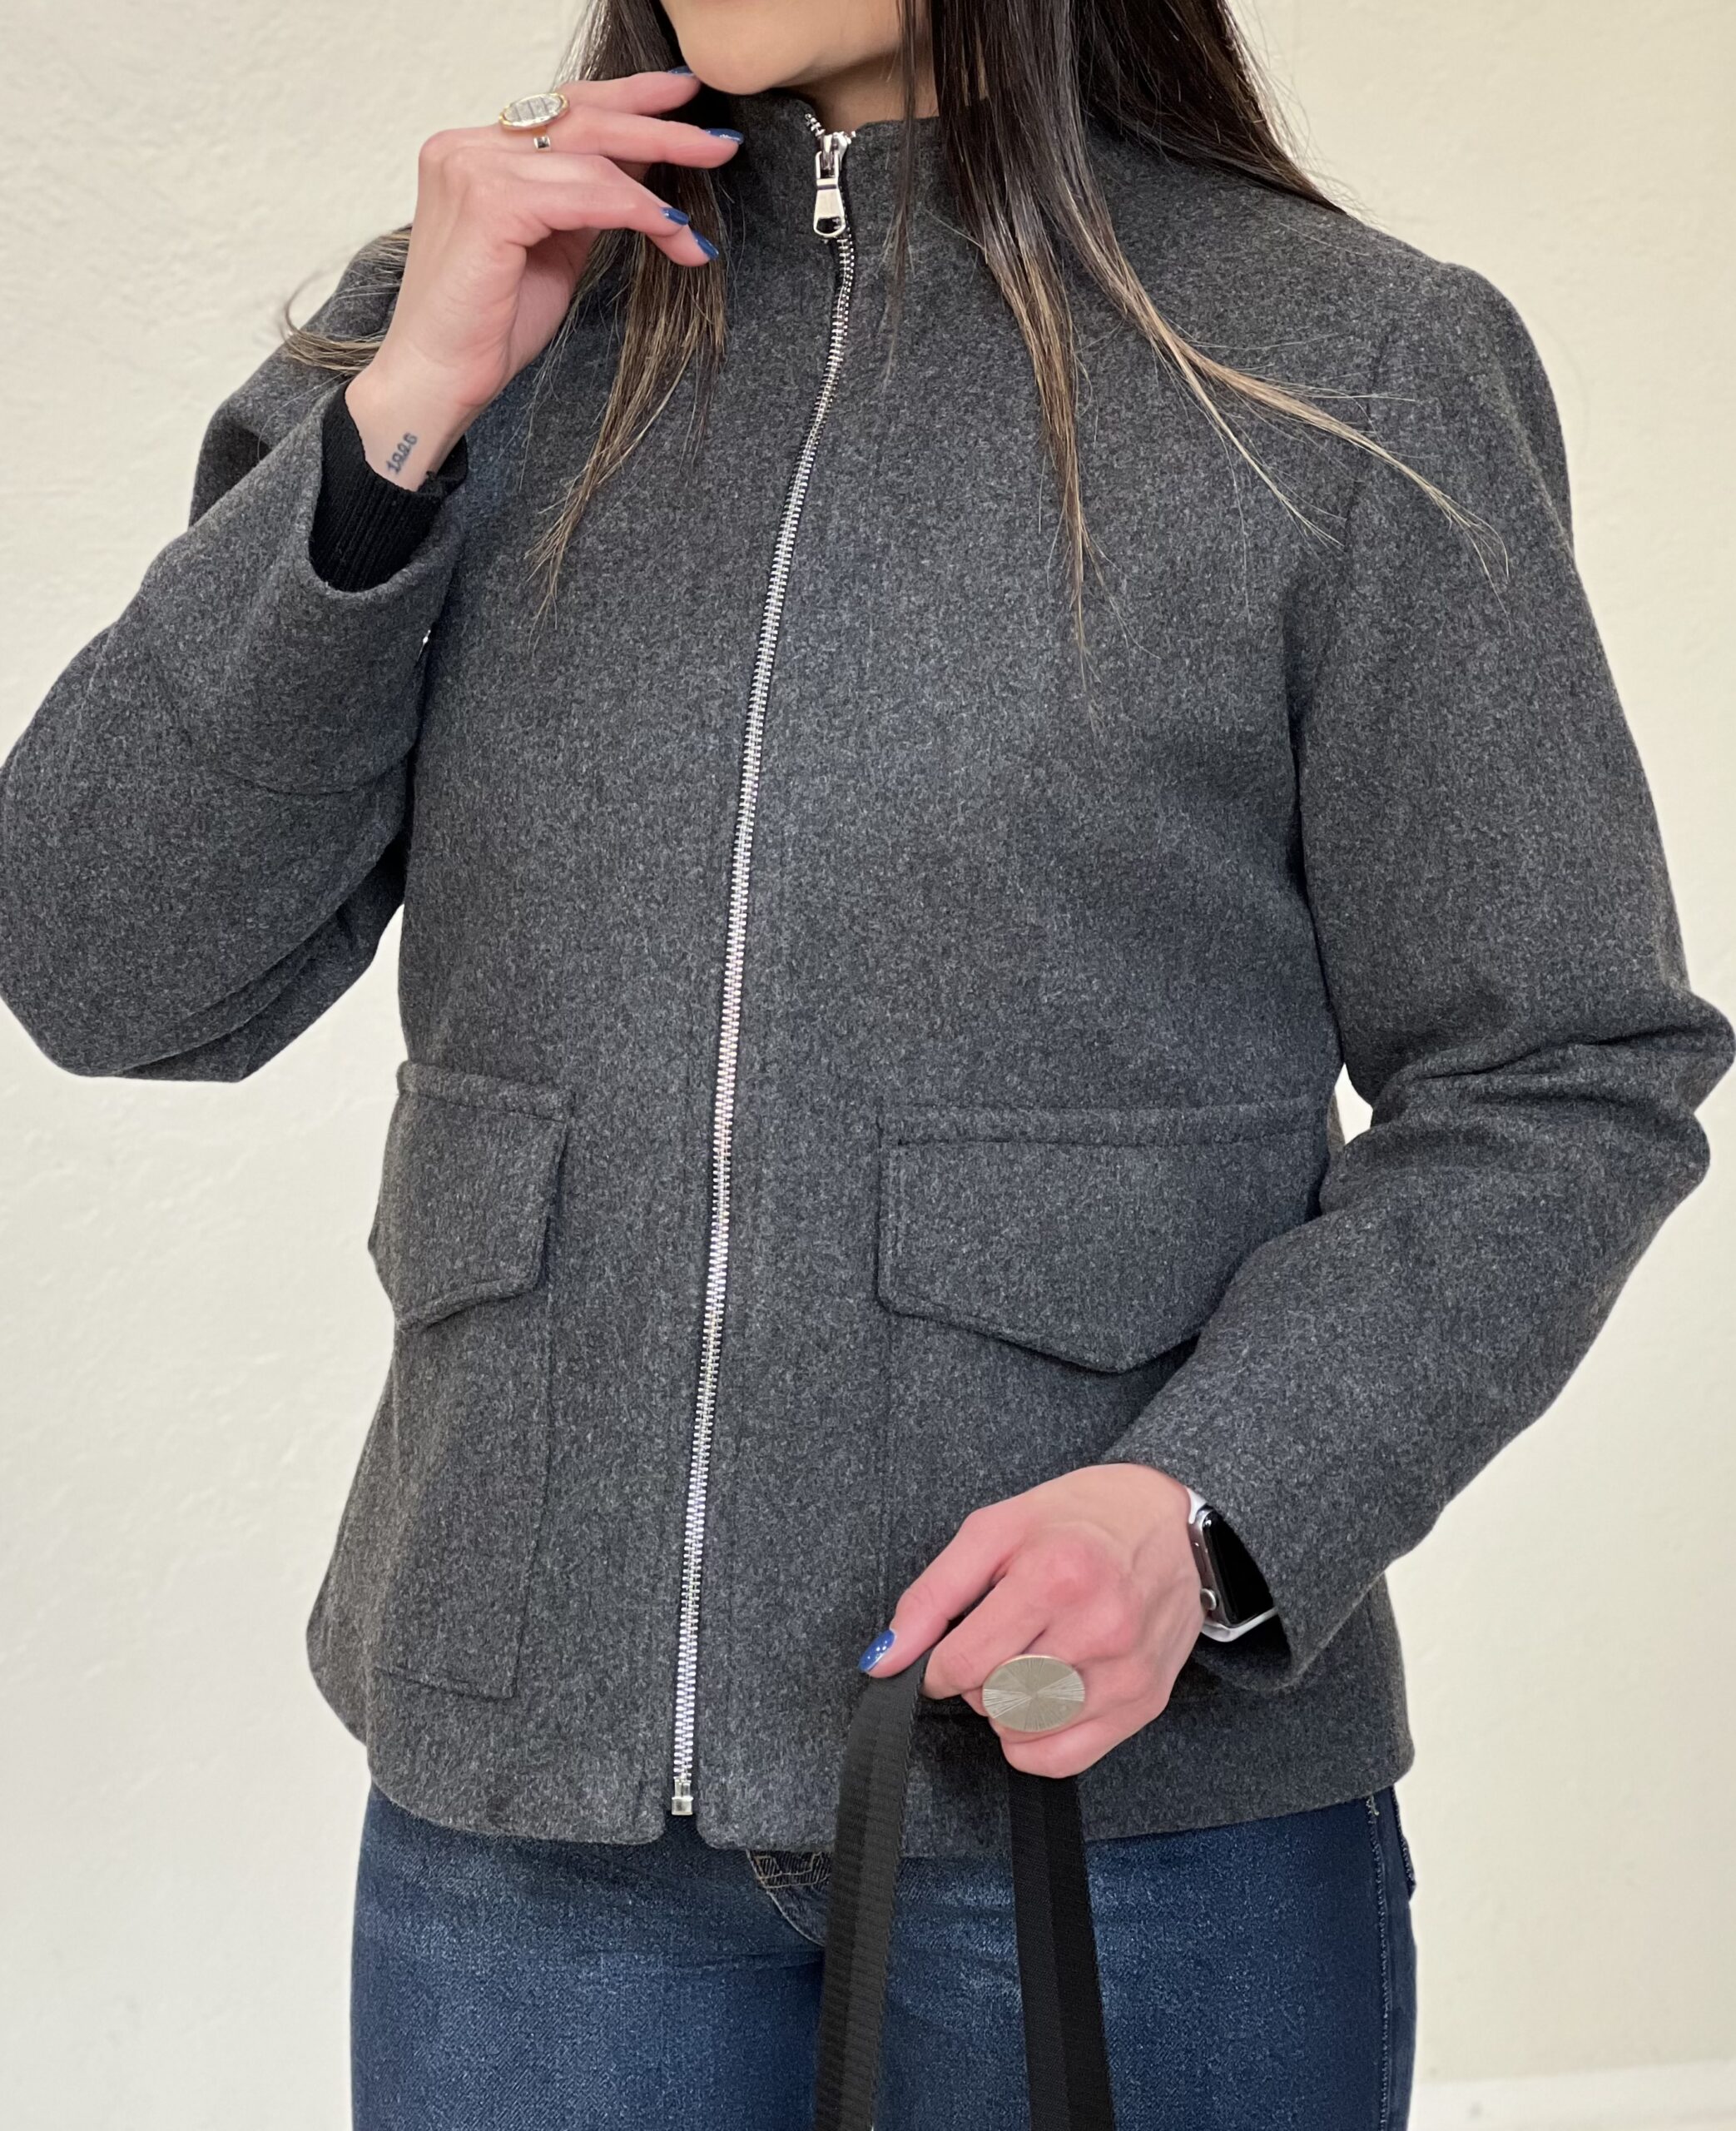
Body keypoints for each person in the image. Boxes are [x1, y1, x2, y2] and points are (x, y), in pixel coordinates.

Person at [2, 2, 1729, 2125]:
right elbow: (103, 964)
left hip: (1114, 1814)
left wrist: (1209, 1509)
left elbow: (1558, 1069)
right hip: (535, 1839)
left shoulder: (1344, 359)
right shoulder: (471, 317)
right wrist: (404, 410)